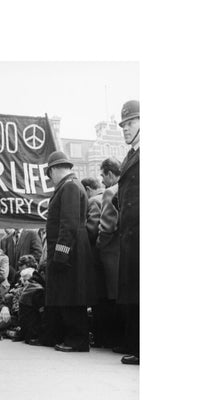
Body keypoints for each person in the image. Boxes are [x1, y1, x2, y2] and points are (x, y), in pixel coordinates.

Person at [43, 151, 95, 352]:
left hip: (70, 252)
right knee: (69, 294)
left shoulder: (70, 187)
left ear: (55, 169)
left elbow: (69, 225)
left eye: (50, 174)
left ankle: (77, 340)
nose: (51, 179)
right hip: (72, 250)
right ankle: (73, 338)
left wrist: (61, 254)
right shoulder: (70, 186)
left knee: (72, 296)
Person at [117, 100, 140, 365]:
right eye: (124, 124)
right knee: (134, 292)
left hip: (140, 233)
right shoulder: (132, 154)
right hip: (131, 234)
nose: (126, 128)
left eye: (131, 122)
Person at [97, 158, 124, 350]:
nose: (102, 180)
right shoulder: (130, 187)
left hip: (111, 253)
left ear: (110, 174)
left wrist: (99, 245)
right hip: (127, 251)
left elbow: (107, 226)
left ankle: (116, 340)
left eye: (102, 175)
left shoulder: (110, 192)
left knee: (113, 297)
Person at [81, 177, 107, 347]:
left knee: (99, 299)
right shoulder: (108, 196)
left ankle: (102, 338)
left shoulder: (93, 201)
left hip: (96, 258)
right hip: (108, 257)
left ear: (88, 189)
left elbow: (91, 229)